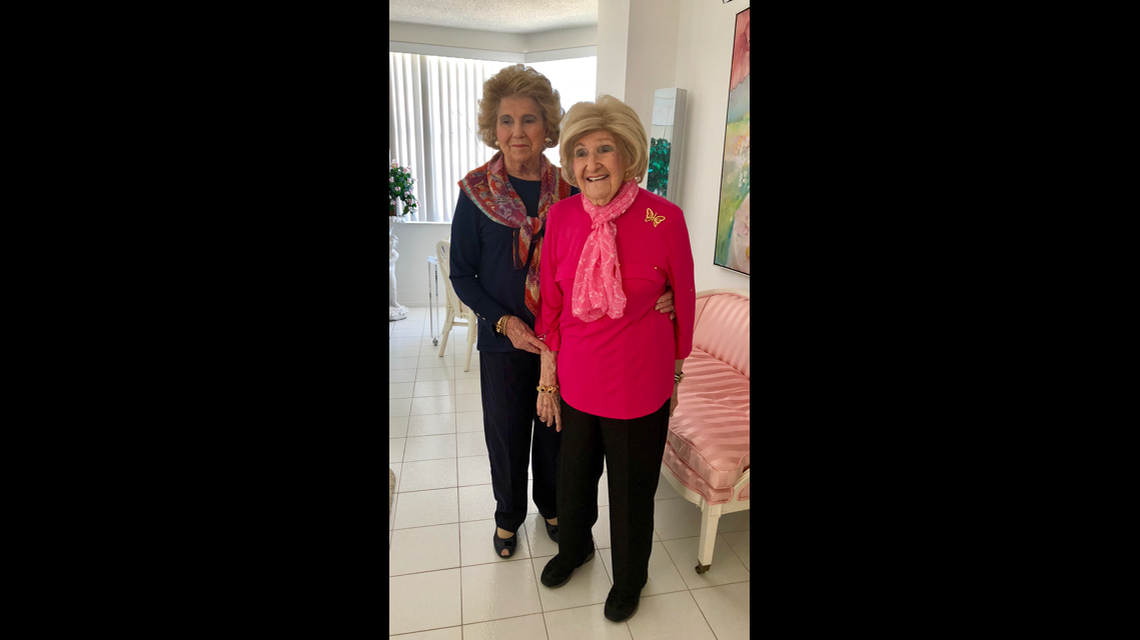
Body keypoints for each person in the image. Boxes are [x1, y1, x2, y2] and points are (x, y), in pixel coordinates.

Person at [449, 67, 676, 559]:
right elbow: (462, 274)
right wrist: (504, 323)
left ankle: (554, 510)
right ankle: (508, 515)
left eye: (529, 119)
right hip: (505, 341)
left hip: (568, 342)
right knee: (507, 433)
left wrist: (666, 291)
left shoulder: (573, 186)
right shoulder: (475, 194)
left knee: (558, 437)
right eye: (505, 120)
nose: (516, 132)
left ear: (547, 126)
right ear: (493, 127)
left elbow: (627, 245)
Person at [533, 95, 696, 622]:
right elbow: (552, 305)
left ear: (627, 155)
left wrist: (675, 354)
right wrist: (549, 376)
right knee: (573, 478)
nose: (592, 163)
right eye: (580, 152)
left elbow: (685, 297)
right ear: (569, 162)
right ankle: (575, 548)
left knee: (630, 492)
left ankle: (630, 577)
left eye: (604, 149)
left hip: (639, 382)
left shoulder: (663, 218)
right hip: (579, 380)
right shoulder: (560, 217)